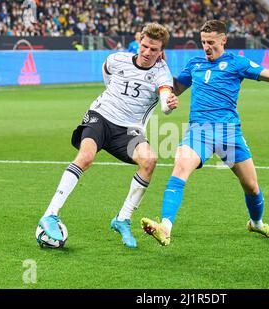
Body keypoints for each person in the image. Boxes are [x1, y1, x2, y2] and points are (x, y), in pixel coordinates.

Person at [141, 20, 269, 246]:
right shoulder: (195, 64)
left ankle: (257, 224)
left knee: (251, 186)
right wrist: (164, 82)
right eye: (203, 42)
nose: (206, 47)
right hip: (199, 131)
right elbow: (174, 88)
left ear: (223, 40)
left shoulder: (237, 63)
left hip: (229, 133)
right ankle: (165, 227)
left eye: (211, 42)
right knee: (180, 167)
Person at [38, 23, 179, 249]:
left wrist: (169, 104)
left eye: (153, 50)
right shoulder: (118, 59)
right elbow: (106, 70)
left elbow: (164, 103)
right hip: (101, 116)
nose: (147, 53)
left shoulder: (162, 73)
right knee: (85, 157)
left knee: (149, 160)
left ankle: (122, 219)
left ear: (161, 51)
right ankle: (51, 214)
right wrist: (111, 98)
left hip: (130, 129)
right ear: (139, 41)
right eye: (144, 46)